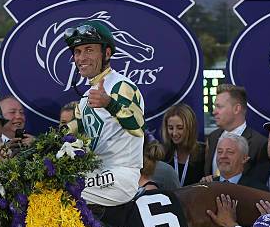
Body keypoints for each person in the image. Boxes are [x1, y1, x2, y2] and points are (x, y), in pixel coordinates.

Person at [63, 20, 145, 206]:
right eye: (77, 52)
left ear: (107, 53)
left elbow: (138, 127)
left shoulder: (121, 85)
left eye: (89, 50)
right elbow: (70, 132)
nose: (81, 57)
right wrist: (36, 146)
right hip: (97, 174)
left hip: (121, 176)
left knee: (60, 195)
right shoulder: (85, 98)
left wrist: (109, 103)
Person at [204, 84, 267, 176]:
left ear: (237, 109)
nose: (214, 112)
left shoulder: (259, 144)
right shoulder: (213, 137)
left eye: (219, 106)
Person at [200, 133, 267, 190]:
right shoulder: (205, 186)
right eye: (220, 152)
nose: (223, 156)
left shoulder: (257, 190)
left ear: (244, 158)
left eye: (230, 152)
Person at [161, 103, 205, 186]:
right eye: (170, 128)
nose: (174, 133)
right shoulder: (162, 153)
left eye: (180, 128)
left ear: (190, 127)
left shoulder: (204, 152)